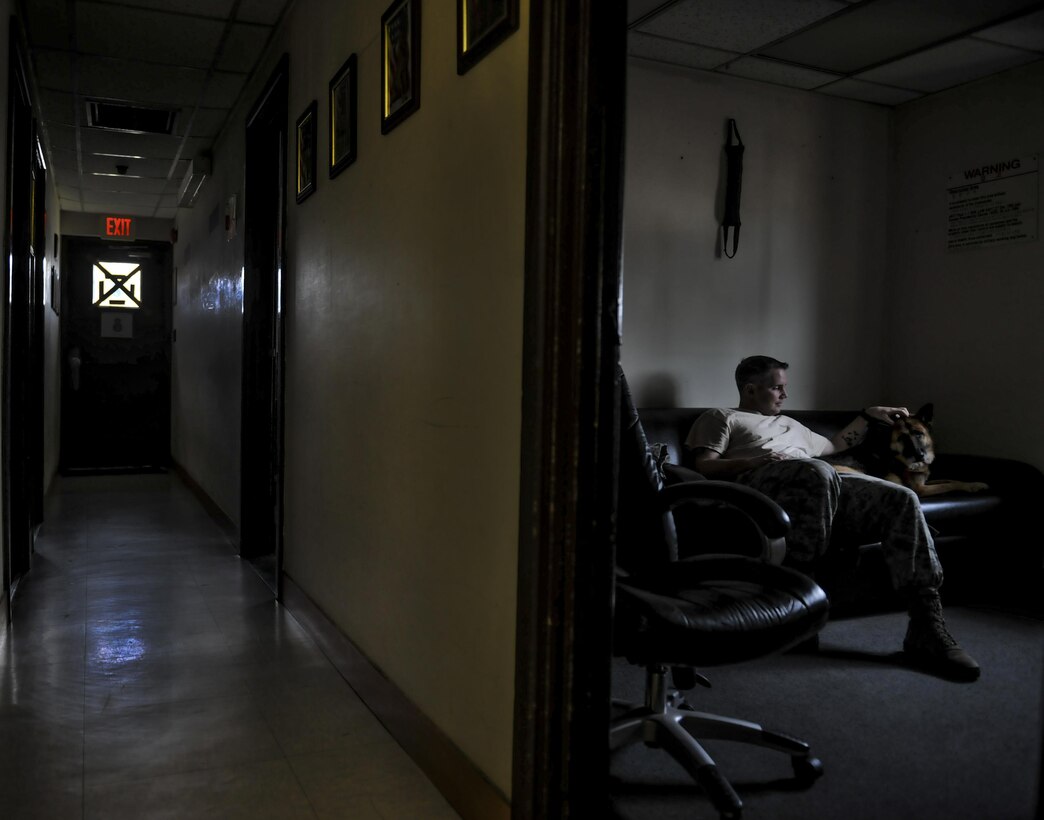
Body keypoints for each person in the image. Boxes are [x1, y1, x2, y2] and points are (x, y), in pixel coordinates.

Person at [685, 355, 980, 682]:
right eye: (777, 388)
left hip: (822, 482)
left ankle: (926, 626)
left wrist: (869, 414)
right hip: (764, 485)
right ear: (751, 390)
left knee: (901, 497)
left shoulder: (793, 426)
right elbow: (705, 466)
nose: (785, 395)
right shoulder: (721, 417)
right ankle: (799, 609)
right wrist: (756, 460)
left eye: (785, 387)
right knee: (817, 470)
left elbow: (835, 445)